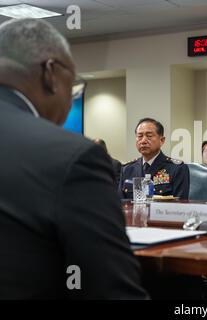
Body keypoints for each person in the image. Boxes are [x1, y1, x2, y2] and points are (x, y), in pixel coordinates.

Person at [0, 19, 147, 299]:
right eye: (74, 88)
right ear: (50, 73)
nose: (70, 103)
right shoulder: (73, 157)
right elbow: (113, 291)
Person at [118, 118, 189, 200]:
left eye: (149, 136)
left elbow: (180, 206)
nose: (143, 141)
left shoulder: (177, 168)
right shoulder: (127, 169)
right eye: (140, 136)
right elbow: (120, 204)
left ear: (162, 140)